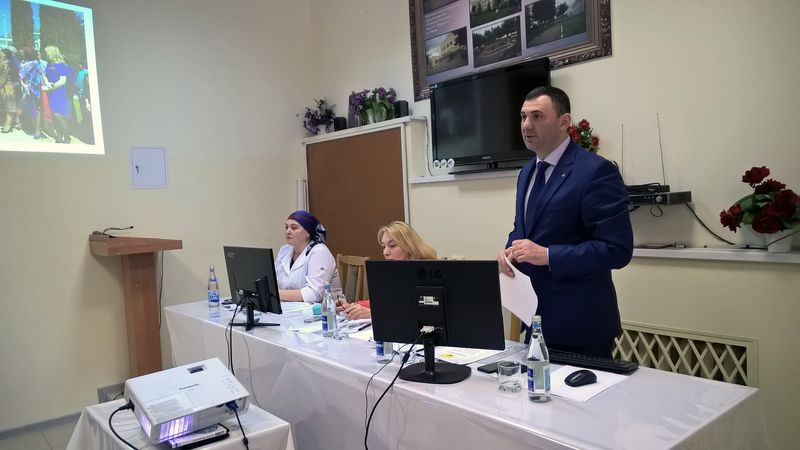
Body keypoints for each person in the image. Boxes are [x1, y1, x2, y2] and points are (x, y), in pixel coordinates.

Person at [496, 86, 633, 358]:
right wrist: (509, 250)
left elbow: (617, 249)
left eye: (537, 116)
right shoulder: (526, 172)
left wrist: (547, 255)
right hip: (535, 322)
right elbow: (523, 230)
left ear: (564, 121)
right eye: (523, 117)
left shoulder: (595, 171)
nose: (526, 125)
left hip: (581, 327)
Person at [340, 221, 437, 320]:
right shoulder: (394, 272)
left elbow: (422, 311)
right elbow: (386, 302)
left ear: (409, 247)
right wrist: (354, 306)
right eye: (384, 246)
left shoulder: (426, 274)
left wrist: (375, 313)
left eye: (392, 245)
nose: (385, 252)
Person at [275, 210, 341, 303]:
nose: (288, 231)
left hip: (326, 309)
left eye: (294, 228)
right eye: (286, 227)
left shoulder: (319, 252)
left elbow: (314, 294)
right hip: (290, 307)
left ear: (307, 232)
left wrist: (276, 294)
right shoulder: (284, 250)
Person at [41, 45, 73, 143]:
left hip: (60, 93)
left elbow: (63, 81)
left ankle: (67, 136)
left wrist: (50, 87)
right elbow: (45, 75)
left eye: (47, 52)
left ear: (52, 53)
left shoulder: (61, 65)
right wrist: (47, 82)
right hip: (51, 93)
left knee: (58, 114)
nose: (46, 54)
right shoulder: (49, 64)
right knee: (54, 115)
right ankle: (59, 136)